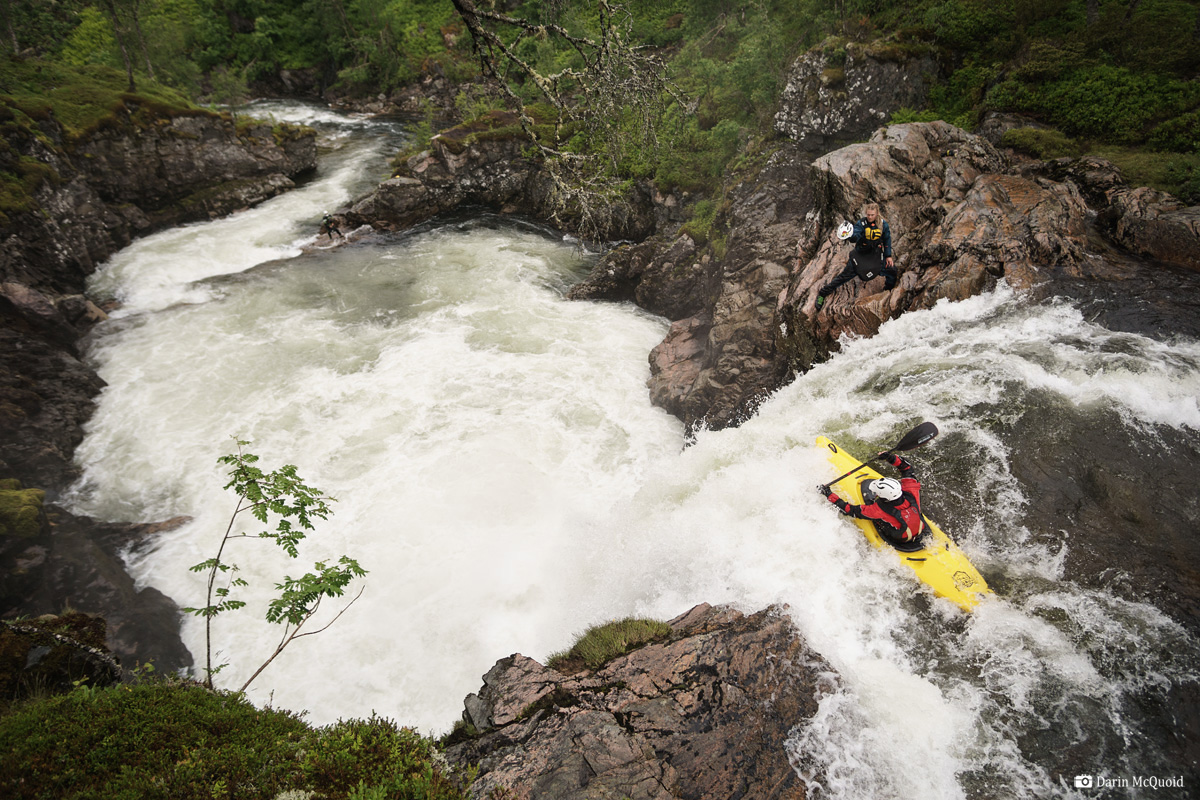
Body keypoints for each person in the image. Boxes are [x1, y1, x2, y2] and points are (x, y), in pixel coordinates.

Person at [818, 452, 925, 546]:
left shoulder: (877, 510)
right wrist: (890, 458)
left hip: (899, 538)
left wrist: (828, 493)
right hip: (918, 529)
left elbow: (849, 510)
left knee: (877, 517)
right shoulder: (911, 492)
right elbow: (907, 469)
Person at [815, 202, 896, 310]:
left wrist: (888, 255)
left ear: (877, 214)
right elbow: (855, 235)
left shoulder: (883, 224)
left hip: (875, 255)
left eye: (872, 215)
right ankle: (822, 293)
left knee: (892, 270)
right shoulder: (861, 224)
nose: (870, 217)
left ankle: (888, 290)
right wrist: (849, 235)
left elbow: (887, 239)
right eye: (868, 214)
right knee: (843, 277)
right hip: (860, 255)